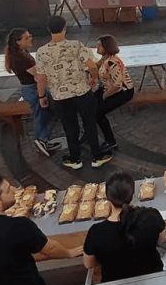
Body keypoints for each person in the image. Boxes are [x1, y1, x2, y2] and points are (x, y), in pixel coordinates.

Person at [36, 16, 112, 170]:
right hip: (82, 93)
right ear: (64, 28)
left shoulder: (41, 52)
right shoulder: (76, 46)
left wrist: (42, 96)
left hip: (59, 97)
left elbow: (41, 78)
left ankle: (74, 158)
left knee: (69, 127)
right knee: (90, 124)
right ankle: (97, 156)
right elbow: (91, 65)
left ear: (48, 30)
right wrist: (94, 77)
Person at [83, 172, 166, 284]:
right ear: (133, 195)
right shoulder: (151, 216)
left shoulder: (96, 232)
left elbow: (89, 264)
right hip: (153, 278)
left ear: (107, 197)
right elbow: (162, 238)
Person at [4, 28, 60, 156]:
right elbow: (38, 76)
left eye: (30, 36)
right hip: (33, 89)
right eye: (27, 38)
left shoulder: (19, 54)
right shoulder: (22, 58)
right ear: (18, 42)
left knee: (44, 113)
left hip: (28, 88)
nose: (31, 39)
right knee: (42, 114)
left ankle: (43, 139)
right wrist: (43, 93)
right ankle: (41, 139)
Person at [95, 35, 133, 152]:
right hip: (109, 88)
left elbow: (117, 85)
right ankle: (89, 133)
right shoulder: (105, 58)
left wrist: (105, 96)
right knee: (90, 104)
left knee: (98, 113)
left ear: (106, 47)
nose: (97, 48)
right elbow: (96, 66)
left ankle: (110, 140)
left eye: (99, 46)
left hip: (122, 92)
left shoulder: (112, 62)